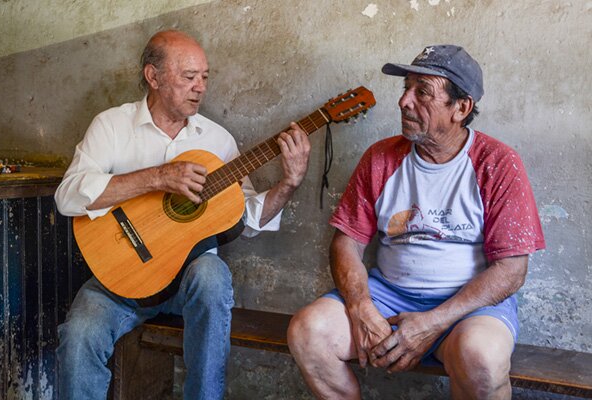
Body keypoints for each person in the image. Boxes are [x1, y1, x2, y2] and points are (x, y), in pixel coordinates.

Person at [54, 30, 311, 399]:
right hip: (121, 278)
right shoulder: (111, 125)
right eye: (188, 77)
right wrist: (157, 178)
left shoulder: (218, 141)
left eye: (204, 77)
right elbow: (67, 197)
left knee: (212, 273)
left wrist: (289, 183)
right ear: (153, 77)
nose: (200, 87)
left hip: (188, 281)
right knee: (78, 334)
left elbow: (249, 217)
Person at [287, 45, 545, 399]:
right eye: (405, 88)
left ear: (461, 108)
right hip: (387, 298)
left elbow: (512, 270)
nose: (404, 101)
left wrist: (433, 322)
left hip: (468, 308)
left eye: (422, 92)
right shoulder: (381, 157)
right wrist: (361, 307)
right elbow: (347, 242)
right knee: (307, 332)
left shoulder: (498, 164)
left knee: (481, 360)